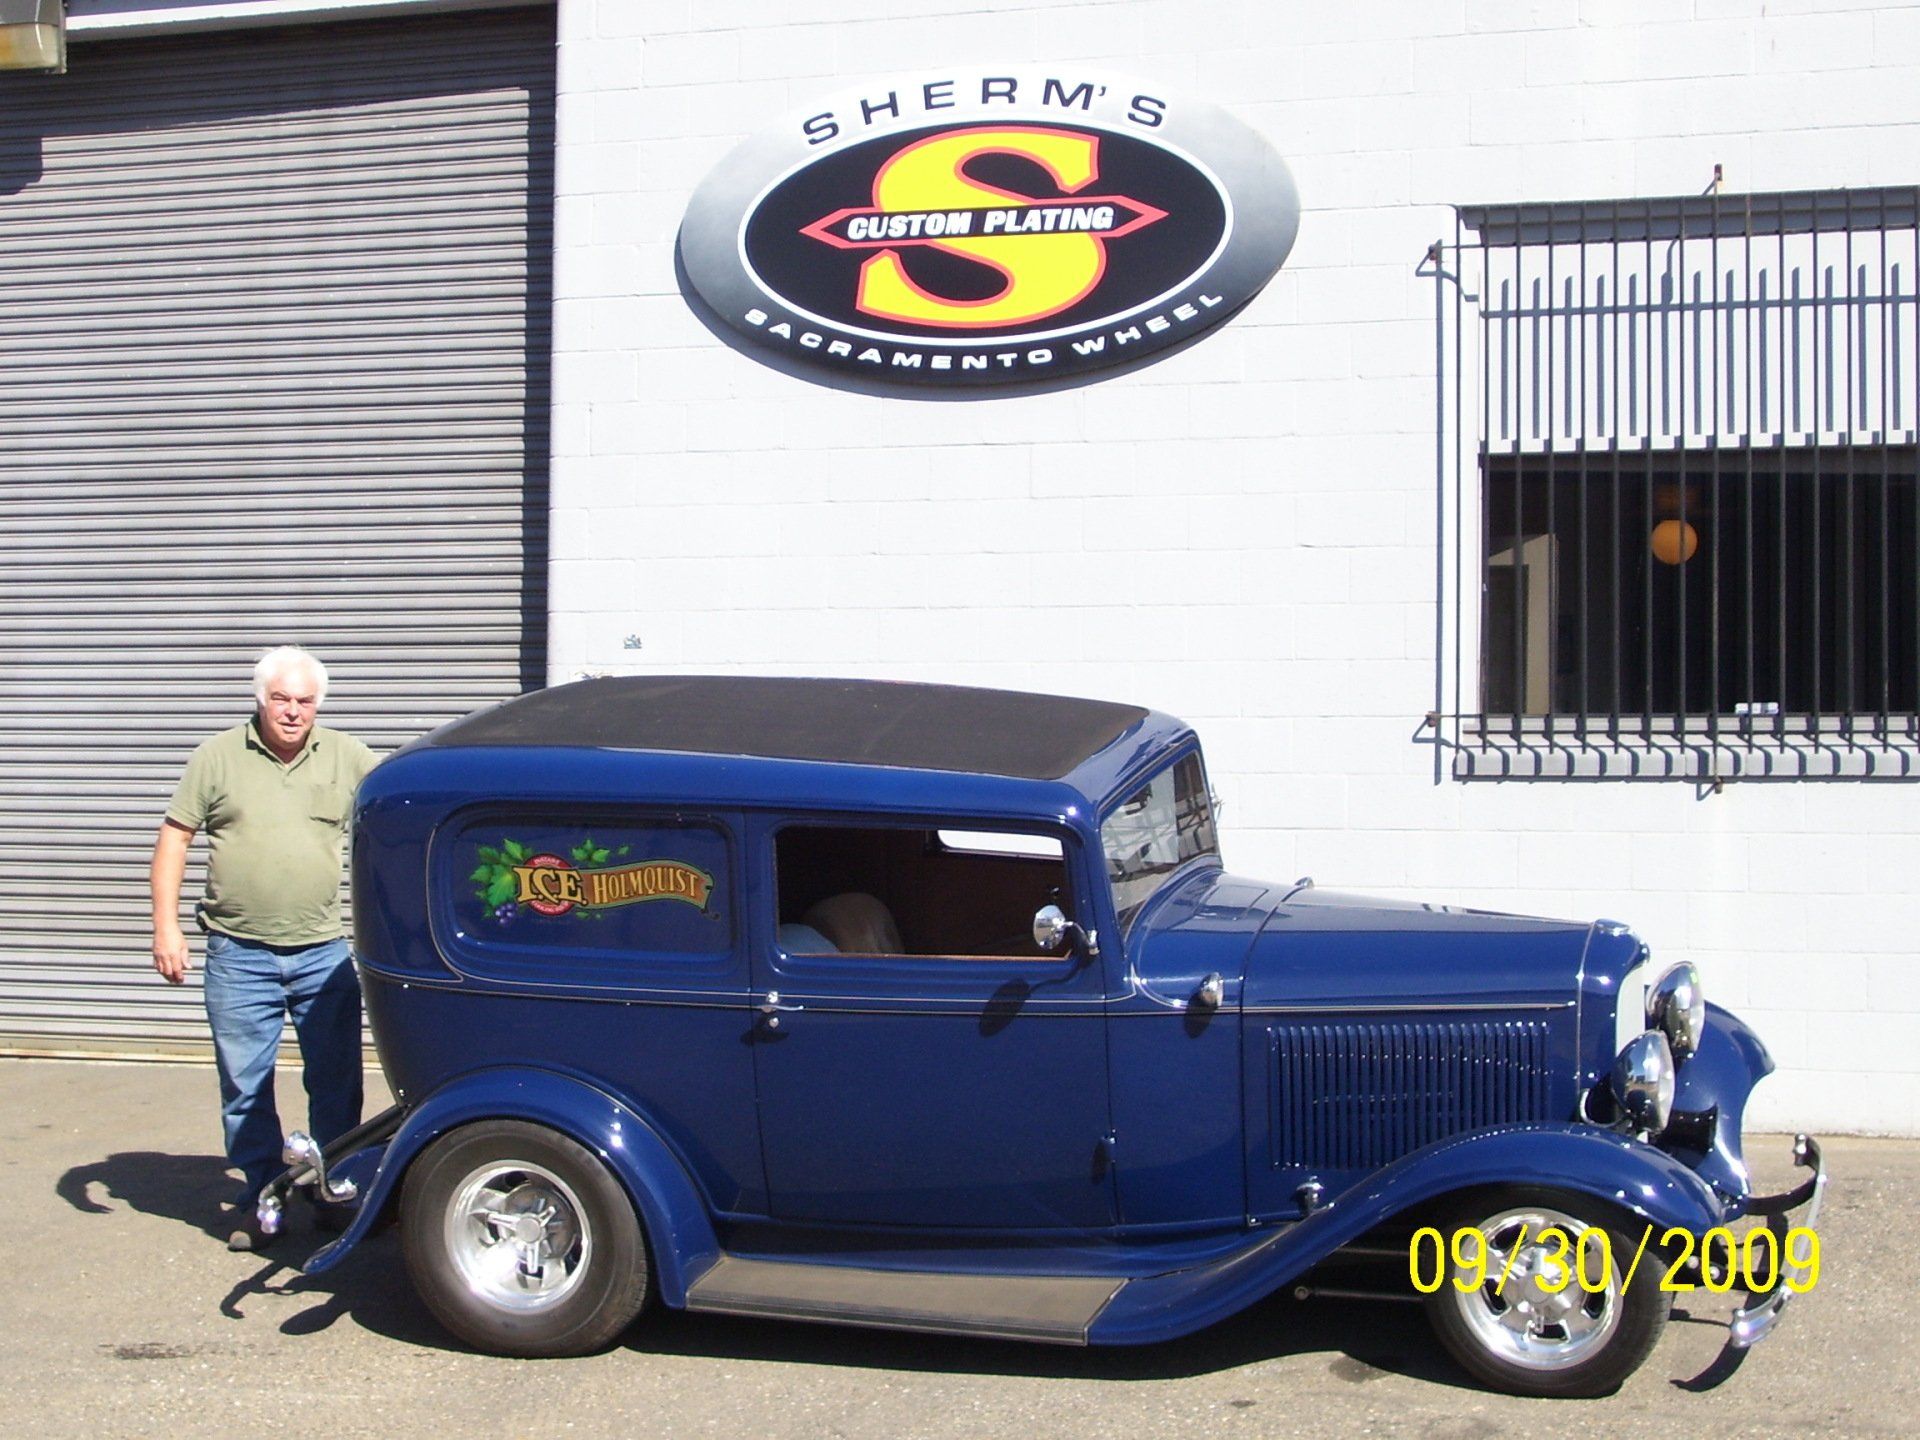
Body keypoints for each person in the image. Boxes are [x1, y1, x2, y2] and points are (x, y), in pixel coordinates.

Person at [150, 646, 378, 1250]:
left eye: (305, 701)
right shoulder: (217, 757)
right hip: (237, 954)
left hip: (322, 954)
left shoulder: (349, 757)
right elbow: (174, 839)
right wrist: (165, 926)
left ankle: (332, 1191)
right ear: (260, 699)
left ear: (318, 705)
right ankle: (261, 1198)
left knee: (337, 1083)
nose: (293, 712)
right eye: (282, 699)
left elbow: (397, 815)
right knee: (245, 1086)